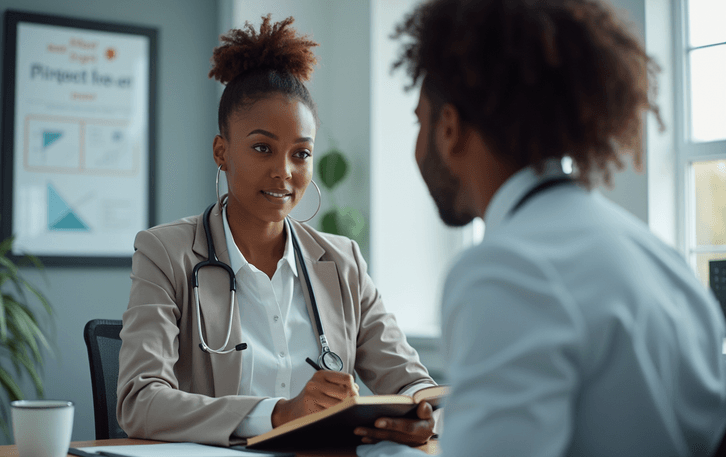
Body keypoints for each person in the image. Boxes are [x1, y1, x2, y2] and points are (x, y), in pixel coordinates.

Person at [358, 0, 726, 456]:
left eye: (420, 122)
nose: (416, 145)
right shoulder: (660, 259)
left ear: (449, 127)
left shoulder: (505, 270)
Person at [116, 16, 438, 447]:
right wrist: (279, 414)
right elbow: (139, 401)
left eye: (300, 153)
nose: (283, 172)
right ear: (222, 152)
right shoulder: (165, 252)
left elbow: (410, 380)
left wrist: (420, 411)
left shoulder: (342, 262)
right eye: (262, 148)